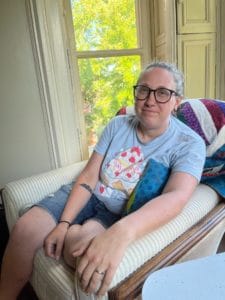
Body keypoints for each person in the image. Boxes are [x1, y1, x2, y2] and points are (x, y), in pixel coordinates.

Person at [0, 61, 206, 299]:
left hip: (113, 214)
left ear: (176, 102)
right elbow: (89, 176)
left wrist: (122, 232)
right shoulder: (118, 125)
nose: (150, 100)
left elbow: (176, 197)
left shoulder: (188, 144)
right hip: (85, 194)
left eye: (162, 93)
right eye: (143, 90)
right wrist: (64, 223)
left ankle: (78, 233)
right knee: (26, 228)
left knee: (84, 256)